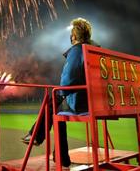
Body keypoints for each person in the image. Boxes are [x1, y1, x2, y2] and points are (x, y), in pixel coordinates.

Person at [21, 18, 95, 167]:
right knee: (57, 109)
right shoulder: (95, 50)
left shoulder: (77, 50)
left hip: (82, 104)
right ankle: (59, 155)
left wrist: (61, 93)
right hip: (95, 101)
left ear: (73, 36)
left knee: (53, 102)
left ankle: (36, 135)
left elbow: (69, 78)